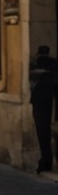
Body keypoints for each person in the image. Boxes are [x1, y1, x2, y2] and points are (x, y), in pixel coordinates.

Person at [31, 45, 58, 173]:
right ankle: (47, 160)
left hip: (39, 103)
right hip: (48, 102)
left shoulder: (35, 64)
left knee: (42, 133)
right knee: (46, 133)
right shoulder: (52, 65)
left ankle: (45, 160)